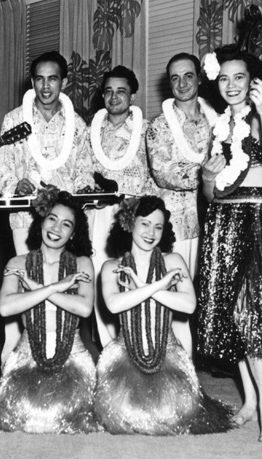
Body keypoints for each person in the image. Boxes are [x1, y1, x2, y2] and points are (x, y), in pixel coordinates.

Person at [197, 45, 262, 443]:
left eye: (238, 77)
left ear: (253, 81)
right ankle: (249, 402)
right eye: (223, 78)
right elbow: (213, 193)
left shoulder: (259, 119)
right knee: (230, 315)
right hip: (224, 221)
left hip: (259, 220)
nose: (230, 85)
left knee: (253, 314)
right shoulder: (220, 127)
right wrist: (208, 178)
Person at [95, 196, 233, 435]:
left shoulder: (173, 260)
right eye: (145, 224)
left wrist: (140, 286)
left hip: (167, 352)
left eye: (158, 227)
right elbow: (115, 305)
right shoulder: (112, 266)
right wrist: (161, 285)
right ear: (129, 224)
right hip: (125, 354)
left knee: (174, 414)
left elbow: (189, 305)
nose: (151, 232)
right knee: (123, 415)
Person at [0, 51, 96, 364]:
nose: (46, 85)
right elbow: (3, 168)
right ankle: (16, 353)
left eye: (52, 78)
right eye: (39, 78)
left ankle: (61, 349)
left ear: (63, 81)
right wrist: (16, 185)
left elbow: (85, 171)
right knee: (25, 280)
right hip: (25, 217)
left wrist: (71, 193)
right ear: (32, 82)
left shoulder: (76, 123)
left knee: (60, 281)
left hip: (61, 221)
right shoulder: (14, 119)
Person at [0, 188, 98, 434]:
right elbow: (6, 307)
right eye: (52, 219)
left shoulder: (82, 263)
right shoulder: (17, 263)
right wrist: (57, 287)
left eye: (66, 224)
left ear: (72, 234)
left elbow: (84, 308)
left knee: (71, 416)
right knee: (23, 417)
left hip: (72, 355)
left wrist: (37, 289)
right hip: (27, 354)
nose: (56, 228)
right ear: (41, 222)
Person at [146, 53, 218, 358]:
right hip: (177, 221)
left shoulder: (219, 121)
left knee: (208, 289)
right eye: (174, 78)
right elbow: (164, 172)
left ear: (199, 78)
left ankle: (201, 355)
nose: (182, 83)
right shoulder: (158, 127)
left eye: (188, 75)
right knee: (173, 290)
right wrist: (208, 175)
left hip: (214, 218)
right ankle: (165, 359)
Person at [88, 65, 157, 348]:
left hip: (133, 214)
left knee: (134, 278)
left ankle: (138, 347)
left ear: (132, 96)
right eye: (109, 91)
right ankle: (108, 351)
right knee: (101, 278)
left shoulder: (148, 130)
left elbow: (156, 177)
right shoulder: (90, 130)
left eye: (121, 91)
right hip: (98, 214)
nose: (114, 97)